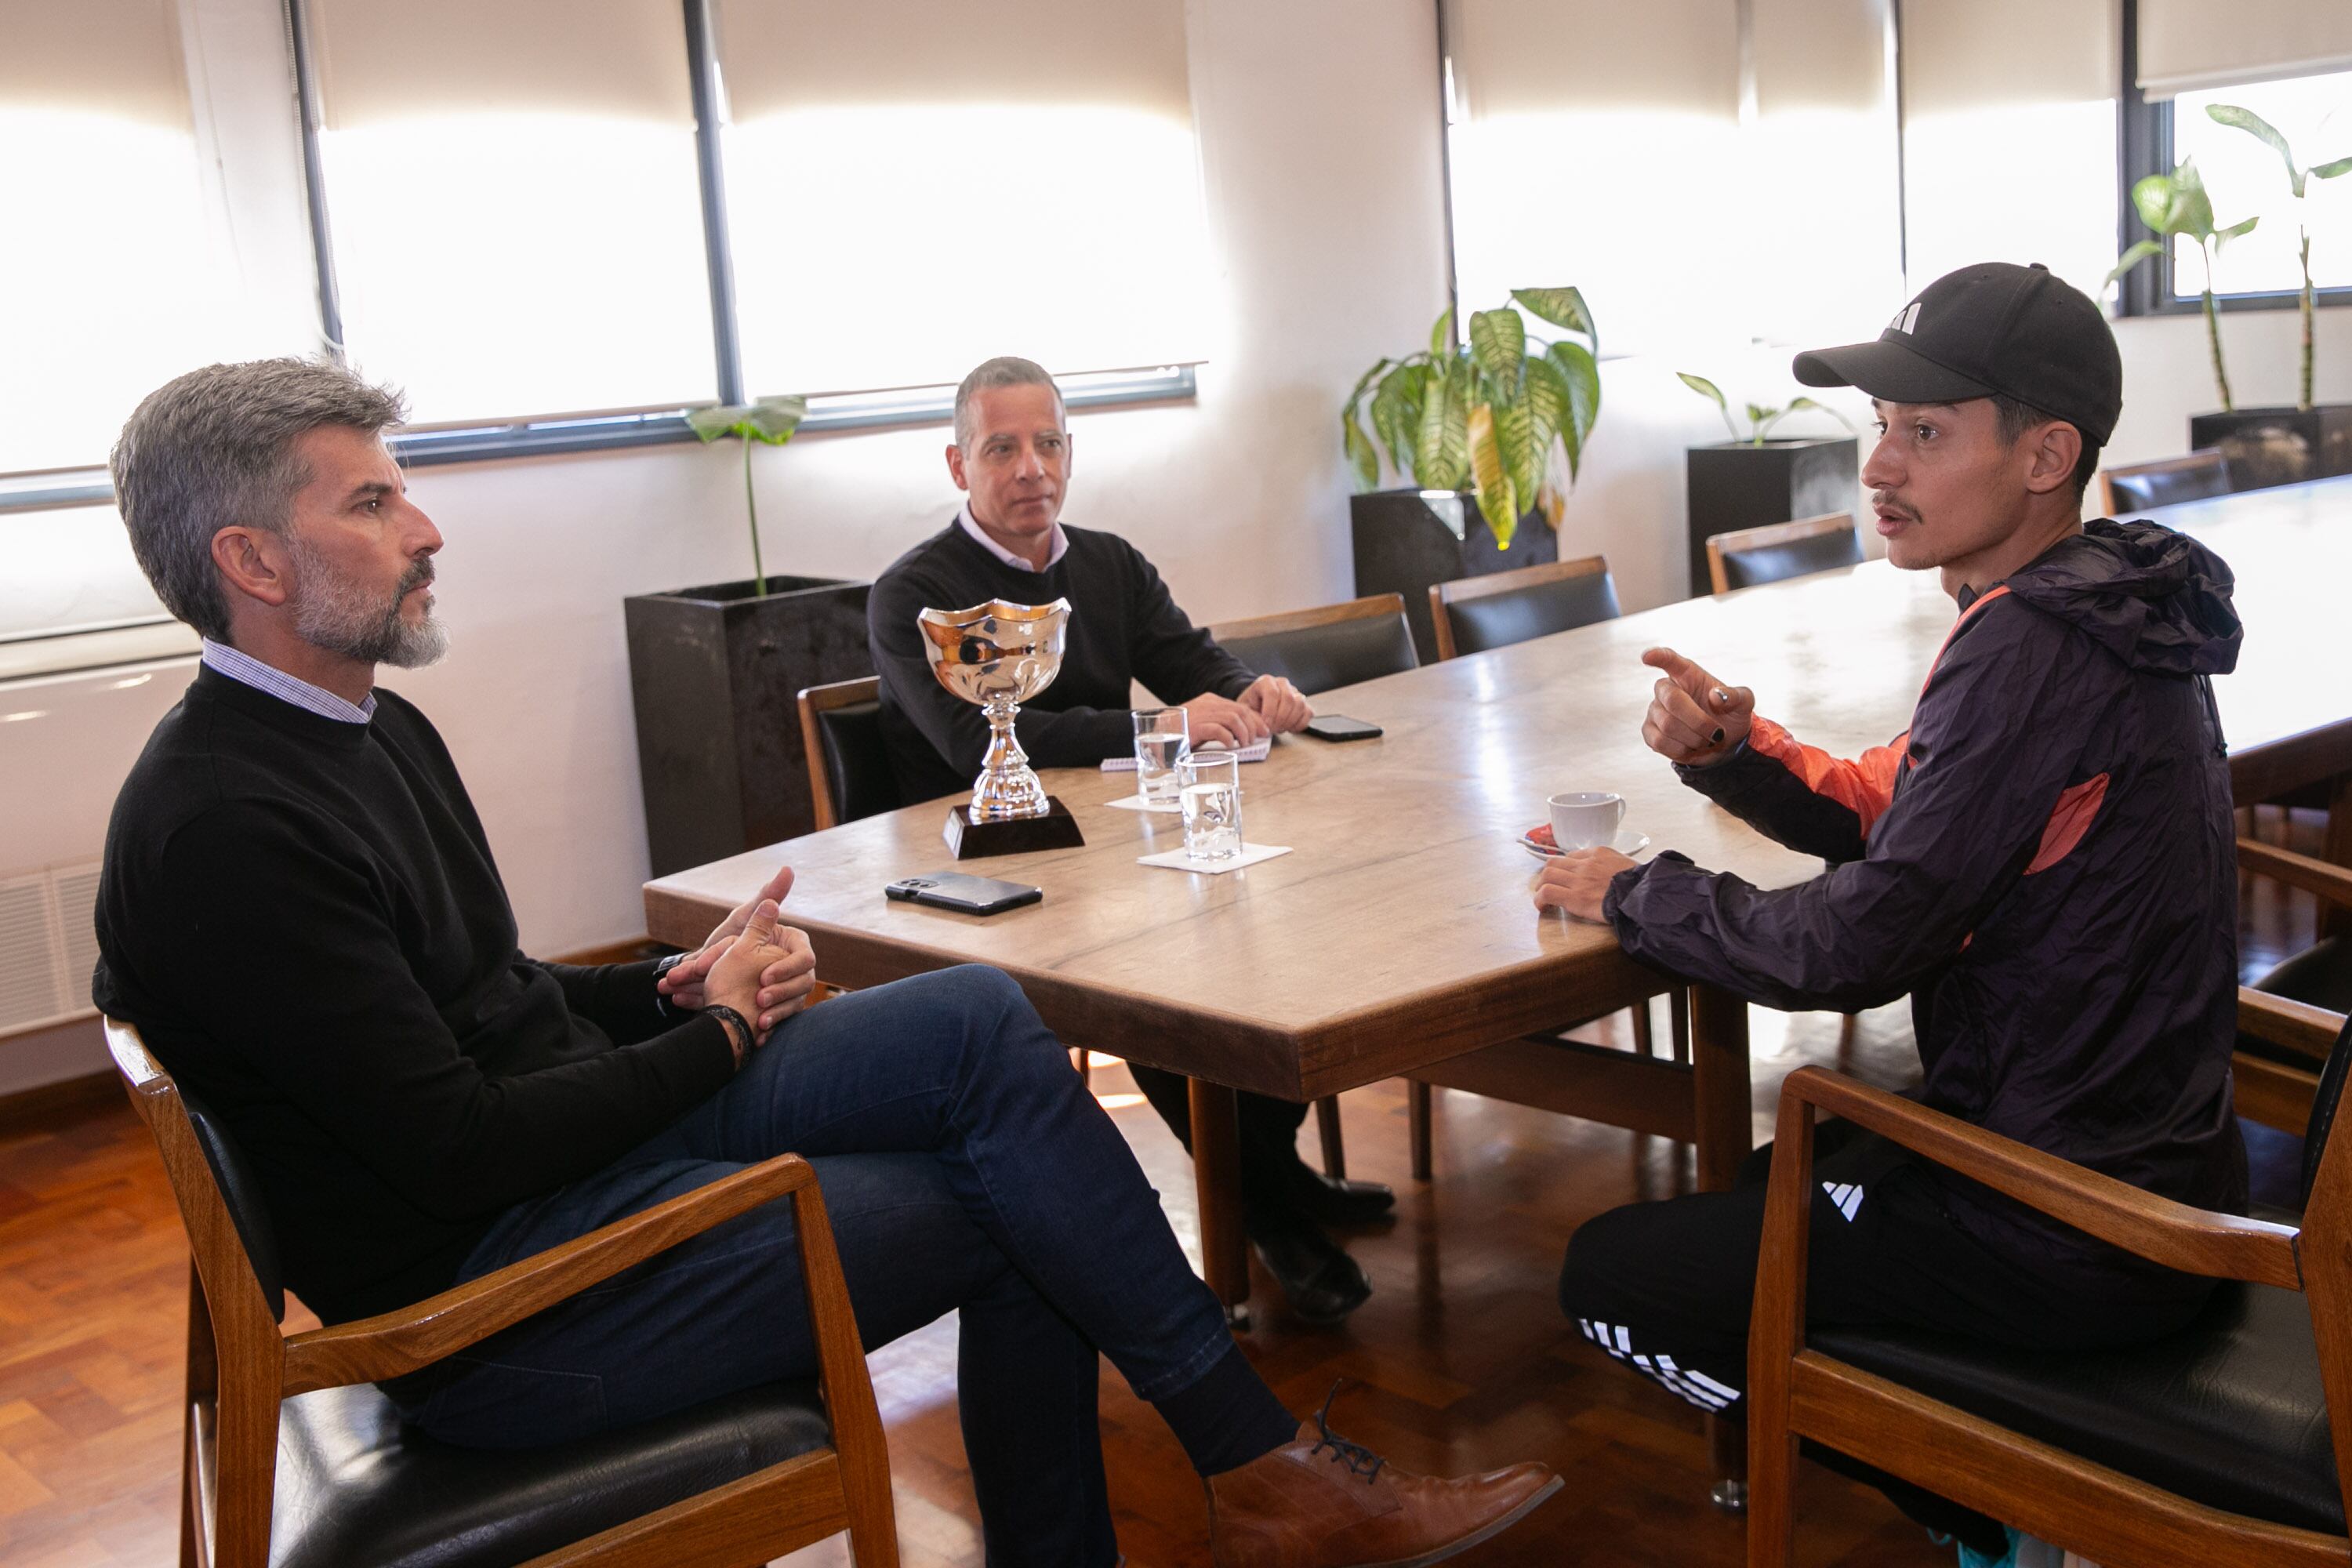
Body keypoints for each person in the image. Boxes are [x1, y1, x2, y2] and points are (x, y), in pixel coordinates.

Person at [90, 358, 1561, 1568]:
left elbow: (488, 995)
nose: (426, 529)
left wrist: (665, 988)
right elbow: (460, 1147)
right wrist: (719, 1043)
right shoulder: (229, 826)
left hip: (564, 1179)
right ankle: (1261, 1472)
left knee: (980, 1021)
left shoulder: (363, 726)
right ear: (252, 561)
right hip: (504, 1310)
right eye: (376, 500)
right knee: (1018, 1197)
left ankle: (1260, 1473)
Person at [1540, 264, 2245, 1564]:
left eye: (1926, 433)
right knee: (1771, 1183)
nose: (1880, 468)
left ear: (2047, 455)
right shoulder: (2105, 605)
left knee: (1616, 1277)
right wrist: (1741, 756)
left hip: (2068, 1219)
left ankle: (1988, 1512)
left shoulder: (2027, 644)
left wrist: (1640, 893)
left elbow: (1864, 942)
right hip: (2150, 1162)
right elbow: (1916, 820)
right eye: (1881, 429)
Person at [869, 355, 1394, 1325]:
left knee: (1270, 941)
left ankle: (1271, 1172)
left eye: (1049, 443)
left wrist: (1250, 692)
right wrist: (1164, 727)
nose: (1031, 467)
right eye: (1002, 448)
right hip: (989, 877)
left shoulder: (1107, 561)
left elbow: (1188, 659)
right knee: (1163, 983)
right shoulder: (915, 593)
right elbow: (971, 741)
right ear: (957, 465)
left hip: (1117, 850)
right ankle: (1266, 1210)